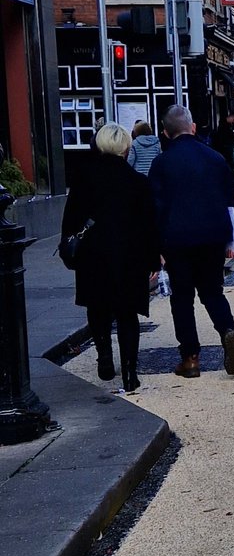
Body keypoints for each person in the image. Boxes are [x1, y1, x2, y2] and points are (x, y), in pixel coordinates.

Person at [59, 123, 160, 393]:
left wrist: (70, 250)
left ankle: (104, 357)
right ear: (126, 147)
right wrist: (153, 261)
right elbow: (149, 226)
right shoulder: (138, 182)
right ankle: (129, 373)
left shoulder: (83, 177)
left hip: (93, 255)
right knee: (127, 314)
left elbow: (70, 220)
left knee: (98, 308)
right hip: (130, 257)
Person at [148, 104, 234, 378]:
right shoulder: (215, 158)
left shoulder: (161, 163)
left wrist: (155, 248)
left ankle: (190, 359)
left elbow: (155, 209)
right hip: (212, 237)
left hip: (176, 240)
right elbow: (232, 201)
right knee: (213, 292)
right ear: (192, 127)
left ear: (165, 132)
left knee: (182, 298)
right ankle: (228, 331)